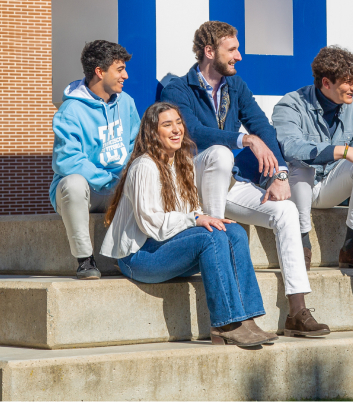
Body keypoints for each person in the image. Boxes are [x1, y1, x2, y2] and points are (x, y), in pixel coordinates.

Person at [161, 21, 330, 338]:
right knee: (221, 154)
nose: (239, 56)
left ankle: (297, 311)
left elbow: (263, 127)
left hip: (227, 185)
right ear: (210, 52)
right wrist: (244, 140)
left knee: (286, 210)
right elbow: (192, 132)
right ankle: (220, 254)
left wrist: (279, 174)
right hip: (190, 187)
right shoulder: (177, 89)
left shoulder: (235, 87)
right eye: (233, 49)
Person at [101, 102, 272, 348]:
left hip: (167, 249)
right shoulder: (144, 167)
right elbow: (151, 223)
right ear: (152, 132)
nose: (176, 130)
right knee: (209, 237)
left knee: (232, 230)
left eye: (178, 123)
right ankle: (225, 324)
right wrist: (195, 219)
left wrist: (206, 218)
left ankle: (247, 319)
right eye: (167, 125)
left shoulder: (181, 164)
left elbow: (189, 213)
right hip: (138, 257)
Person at [272, 45, 353, 270]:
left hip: (330, 186)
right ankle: (302, 244)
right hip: (297, 187)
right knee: (302, 165)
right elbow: (291, 148)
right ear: (326, 83)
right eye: (349, 81)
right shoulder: (290, 104)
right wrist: (345, 151)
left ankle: (350, 247)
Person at [50, 40, 140, 279]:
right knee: (72, 183)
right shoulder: (70, 111)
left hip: (118, 189)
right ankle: (85, 260)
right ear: (100, 72)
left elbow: (135, 146)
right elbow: (65, 160)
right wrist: (107, 179)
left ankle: (142, 255)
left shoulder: (127, 103)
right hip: (87, 191)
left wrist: (125, 179)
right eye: (119, 69)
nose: (126, 76)